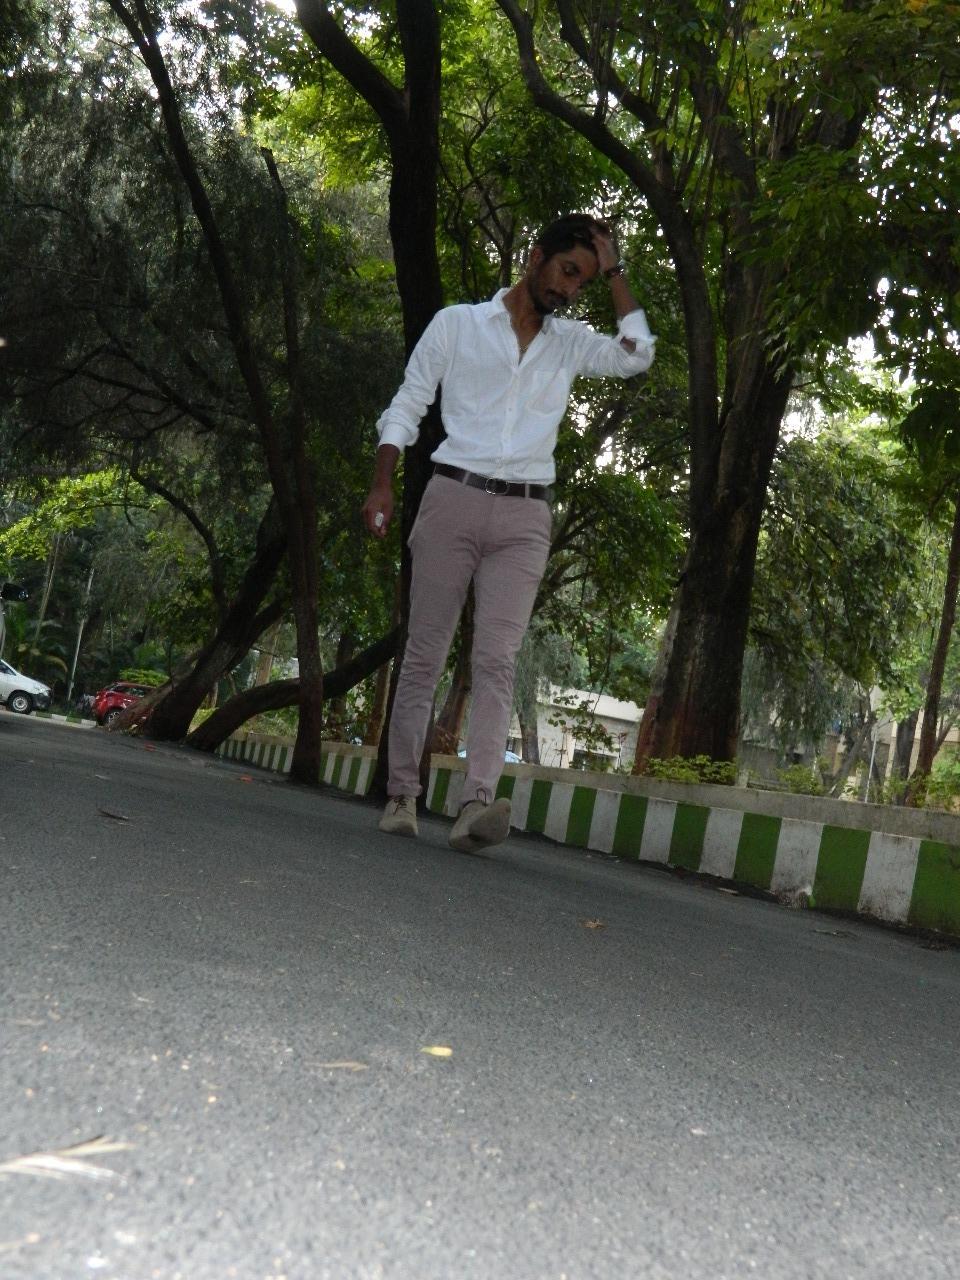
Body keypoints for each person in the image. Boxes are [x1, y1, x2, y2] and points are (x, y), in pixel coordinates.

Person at [362, 214, 655, 853]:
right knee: (424, 654)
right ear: (535, 256)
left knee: (497, 660)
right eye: (567, 271)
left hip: (524, 517)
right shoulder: (457, 325)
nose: (570, 289)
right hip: (452, 498)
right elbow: (408, 403)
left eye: (582, 281)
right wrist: (383, 481)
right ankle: (403, 794)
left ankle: (475, 805)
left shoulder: (571, 343)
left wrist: (615, 272)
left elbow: (638, 355)